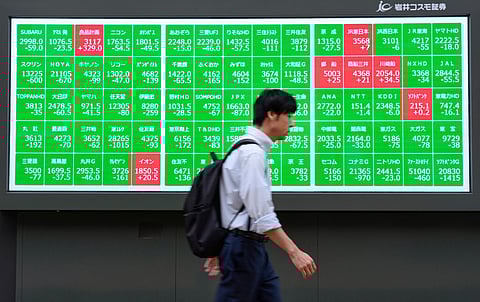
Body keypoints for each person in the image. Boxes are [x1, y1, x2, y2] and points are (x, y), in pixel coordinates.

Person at [204, 89, 317, 302]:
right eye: (289, 116)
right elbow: (261, 213)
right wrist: (294, 252)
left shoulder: (244, 148)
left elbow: (227, 202)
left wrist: (220, 247)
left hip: (249, 247)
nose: (292, 124)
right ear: (271, 115)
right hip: (243, 247)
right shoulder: (252, 154)